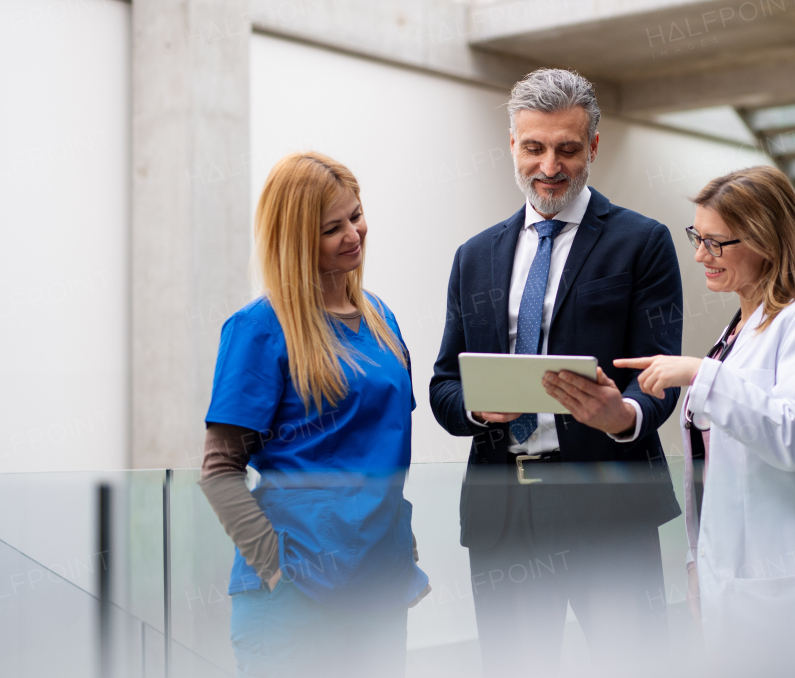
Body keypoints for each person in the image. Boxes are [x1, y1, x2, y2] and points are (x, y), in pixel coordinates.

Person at [429, 68, 684, 677]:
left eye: (568, 149)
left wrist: (623, 416)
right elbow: (443, 385)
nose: (551, 166)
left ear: (592, 146)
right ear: (512, 145)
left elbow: (656, 374)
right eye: (534, 147)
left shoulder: (642, 243)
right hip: (505, 514)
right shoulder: (474, 256)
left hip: (610, 508)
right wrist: (477, 408)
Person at [200, 152, 430, 678]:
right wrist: (276, 568)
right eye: (332, 227)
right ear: (296, 238)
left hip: (379, 585)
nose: (354, 233)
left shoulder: (381, 318)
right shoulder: (259, 328)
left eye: (356, 215)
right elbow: (220, 473)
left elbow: (380, 443)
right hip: (293, 601)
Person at [616, 165, 795, 653]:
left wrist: (697, 375)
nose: (700, 255)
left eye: (716, 243)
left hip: (794, 589)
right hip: (729, 582)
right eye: (697, 237)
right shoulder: (736, 335)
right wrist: (696, 563)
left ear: (765, 240)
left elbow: (791, 439)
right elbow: (713, 472)